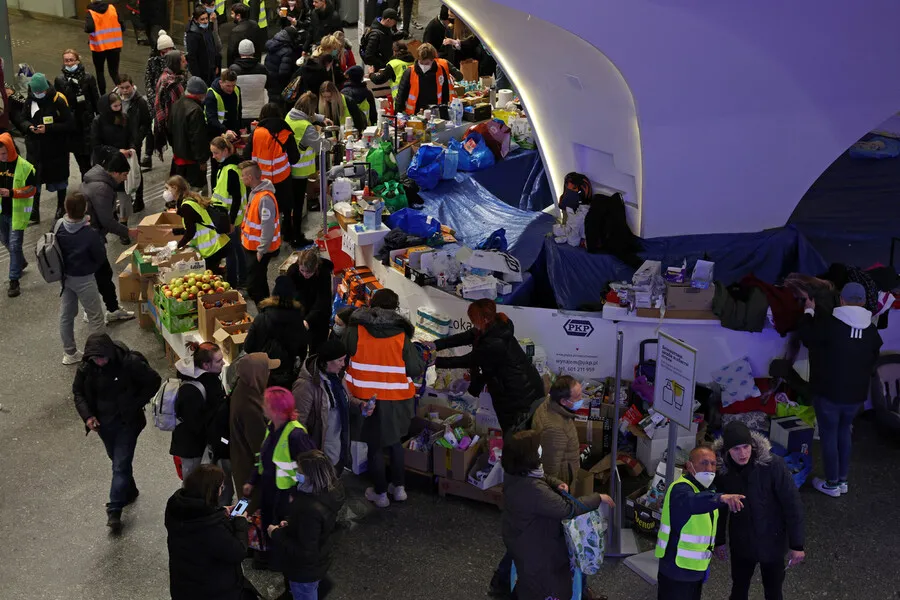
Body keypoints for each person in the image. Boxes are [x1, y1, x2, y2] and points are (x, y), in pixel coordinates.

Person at [501, 430, 615, 600]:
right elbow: (567, 508)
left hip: (523, 538)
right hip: (538, 551)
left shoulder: (516, 474)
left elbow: (542, 478)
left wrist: (556, 483)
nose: (540, 450)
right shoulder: (534, 491)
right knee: (551, 585)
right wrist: (597, 498)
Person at [798, 281, 883, 497]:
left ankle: (832, 484)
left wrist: (808, 309)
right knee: (844, 432)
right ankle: (842, 480)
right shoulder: (872, 331)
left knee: (829, 435)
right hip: (856, 395)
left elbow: (807, 337)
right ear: (863, 302)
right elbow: (873, 360)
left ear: (842, 300)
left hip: (829, 393)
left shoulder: (830, 324)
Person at [72, 333, 162, 533]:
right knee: (117, 459)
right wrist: (88, 417)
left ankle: (114, 510)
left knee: (120, 464)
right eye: (96, 359)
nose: (100, 362)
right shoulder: (87, 368)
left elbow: (154, 380)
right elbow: (78, 393)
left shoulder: (130, 363)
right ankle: (129, 491)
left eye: (102, 357)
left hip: (127, 423)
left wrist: (135, 404)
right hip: (103, 425)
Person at [344, 288, 424, 507]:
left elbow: (343, 353)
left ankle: (379, 493)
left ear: (372, 304)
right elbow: (415, 368)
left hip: (365, 399)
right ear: (395, 308)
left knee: (375, 445)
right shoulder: (401, 334)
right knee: (395, 442)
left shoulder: (356, 329)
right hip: (398, 399)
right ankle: (399, 488)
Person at [712, 422, 806, 600]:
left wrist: (797, 545)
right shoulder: (722, 471)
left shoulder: (773, 465)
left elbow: (792, 504)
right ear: (727, 451)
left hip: (773, 542)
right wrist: (719, 541)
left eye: (746, 447)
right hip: (741, 543)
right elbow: (720, 508)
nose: (743, 454)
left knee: (774, 591)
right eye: (736, 449)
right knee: (739, 588)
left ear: (752, 445)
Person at [430, 299, 544, 435]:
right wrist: (435, 345)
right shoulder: (493, 325)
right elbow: (465, 337)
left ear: (484, 319)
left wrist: (435, 360)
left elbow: (468, 360)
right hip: (517, 386)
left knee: (517, 435)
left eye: (473, 320)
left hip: (518, 395)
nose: (472, 323)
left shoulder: (494, 342)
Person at [656, 446, 746, 600]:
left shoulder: (706, 489)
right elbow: (692, 503)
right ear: (689, 465)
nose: (710, 468)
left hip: (695, 570)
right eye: (704, 463)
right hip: (676, 570)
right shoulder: (680, 489)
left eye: (713, 464)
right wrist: (721, 498)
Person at [242, 387, 316, 563]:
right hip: (270, 489)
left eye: (266, 404)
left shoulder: (296, 435)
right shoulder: (272, 427)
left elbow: (310, 468)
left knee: (282, 528)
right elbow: (264, 457)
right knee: (268, 522)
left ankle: (280, 559)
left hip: (285, 494)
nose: (262, 406)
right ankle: (268, 553)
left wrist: (295, 494)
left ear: (276, 410)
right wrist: (252, 480)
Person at [165, 464, 257, 600]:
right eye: (221, 488)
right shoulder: (211, 527)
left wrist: (219, 511)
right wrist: (241, 522)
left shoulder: (175, 505)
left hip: (183, 584)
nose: (221, 491)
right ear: (212, 491)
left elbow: (199, 513)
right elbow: (238, 551)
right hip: (213, 590)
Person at [268, 450, 346, 600]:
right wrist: (292, 524)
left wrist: (276, 533)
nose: (297, 473)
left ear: (311, 475)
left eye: (300, 471)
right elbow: (315, 529)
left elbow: (305, 552)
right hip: (322, 556)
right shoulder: (333, 490)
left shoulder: (309, 507)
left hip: (305, 572)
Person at [293, 339, 365, 472]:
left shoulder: (337, 376)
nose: (343, 365)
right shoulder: (305, 386)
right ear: (327, 362)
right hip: (320, 449)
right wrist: (309, 454)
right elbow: (297, 423)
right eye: (339, 360)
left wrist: (360, 405)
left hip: (338, 444)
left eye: (344, 360)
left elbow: (346, 399)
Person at [82, 153, 137, 323]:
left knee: (97, 275)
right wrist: (127, 231)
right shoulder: (103, 188)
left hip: (87, 236)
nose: (125, 178)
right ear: (115, 172)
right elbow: (107, 220)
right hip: (91, 238)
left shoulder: (95, 178)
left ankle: (105, 309)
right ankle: (106, 310)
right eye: (124, 175)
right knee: (102, 275)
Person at [12, 72, 73, 223]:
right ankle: (34, 210)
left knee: (59, 179)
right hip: (36, 149)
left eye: (40, 91)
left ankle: (61, 207)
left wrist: (49, 128)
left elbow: (69, 124)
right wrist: (29, 127)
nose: (37, 94)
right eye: (35, 91)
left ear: (46, 89)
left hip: (56, 149)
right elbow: (22, 119)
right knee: (35, 180)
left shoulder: (58, 101)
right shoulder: (30, 100)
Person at [56, 192, 106, 364]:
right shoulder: (89, 233)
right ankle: (97, 355)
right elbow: (100, 256)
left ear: (66, 208)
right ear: (84, 209)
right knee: (96, 317)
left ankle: (69, 353)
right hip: (84, 278)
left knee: (66, 315)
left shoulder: (59, 225)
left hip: (65, 277)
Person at [229, 352, 281, 511]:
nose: (270, 373)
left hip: (243, 465)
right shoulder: (249, 407)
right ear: (257, 374)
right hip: (252, 471)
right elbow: (260, 446)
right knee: (252, 509)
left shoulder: (244, 389)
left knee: (246, 503)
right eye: (267, 369)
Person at [170, 341, 227, 481]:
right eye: (219, 361)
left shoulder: (209, 379)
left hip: (203, 444)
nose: (223, 363)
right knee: (193, 484)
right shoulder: (192, 391)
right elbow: (195, 424)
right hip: (192, 448)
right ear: (206, 365)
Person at [244, 275, 309, 387]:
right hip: (286, 376)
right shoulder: (298, 321)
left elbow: (248, 347)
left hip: (262, 375)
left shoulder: (261, 318)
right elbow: (302, 351)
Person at [249, 103, 300, 244]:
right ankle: (288, 235)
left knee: (266, 213)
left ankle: (269, 241)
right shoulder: (286, 132)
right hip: (282, 178)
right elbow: (295, 158)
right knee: (286, 209)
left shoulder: (256, 133)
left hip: (262, 181)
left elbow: (247, 155)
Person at [284, 93, 330, 247]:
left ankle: (288, 233)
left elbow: (309, 116)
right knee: (298, 206)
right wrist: (331, 141)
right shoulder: (306, 128)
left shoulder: (290, 116)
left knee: (289, 205)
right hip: (300, 171)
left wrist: (321, 118)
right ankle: (297, 237)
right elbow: (321, 146)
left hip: (288, 168)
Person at [89, 92, 137, 231]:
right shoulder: (98, 121)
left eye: (119, 105)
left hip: (122, 161)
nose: (118, 108)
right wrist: (117, 151)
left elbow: (131, 136)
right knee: (107, 193)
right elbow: (96, 145)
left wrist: (132, 148)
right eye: (115, 106)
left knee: (124, 195)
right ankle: (112, 218)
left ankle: (123, 223)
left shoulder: (124, 118)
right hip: (106, 163)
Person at [239, 160, 282, 304]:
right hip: (253, 247)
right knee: (259, 281)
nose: (242, 178)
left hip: (259, 249)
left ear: (250, 177)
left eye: (243, 176)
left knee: (255, 286)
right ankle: (266, 309)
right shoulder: (255, 193)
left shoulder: (264, 199)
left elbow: (267, 227)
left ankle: (265, 310)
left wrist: (261, 250)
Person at [0, 132, 36, 298]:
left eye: (4, 153)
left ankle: (14, 281)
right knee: (6, 242)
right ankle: (20, 262)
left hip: (18, 214)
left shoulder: (25, 167)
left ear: (11, 149)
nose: (2, 157)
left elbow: (32, 189)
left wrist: (12, 192)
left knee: (14, 245)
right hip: (2, 214)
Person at [55, 49, 100, 177]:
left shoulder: (88, 78)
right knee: (81, 160)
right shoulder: (60, 80)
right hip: (73, 125)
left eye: (71, 60)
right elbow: (59, 102)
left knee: (92, 157)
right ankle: (85, 182)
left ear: (77, 61)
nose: (69, 63)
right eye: (66, 61)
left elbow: (95, 99)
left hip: (88, 122)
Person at [210, 136, 249, 286]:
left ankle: (234, 282)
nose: (213, 157)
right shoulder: (229, 167)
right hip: (232, 217)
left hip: (231, 218)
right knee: (237, 249)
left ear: (225, 151)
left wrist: (231, 221)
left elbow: (236, 198)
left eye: (216, 153)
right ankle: (242, 278)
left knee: (232, 252)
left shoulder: (230, 170)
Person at [531, 375, 582, 487]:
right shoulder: (555, 429)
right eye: (578, 397)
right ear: (563, 401)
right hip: (563, 480)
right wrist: (556, 487)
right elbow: (550, 467)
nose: (581, 399)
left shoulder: (550, 403)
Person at [172, 188, 231, 275]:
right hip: (217, 244)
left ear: (175, 188)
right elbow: (196, 226)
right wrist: (175, 231)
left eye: (168, 188)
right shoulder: (191, 201)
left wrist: (178, 246)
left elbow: (191, 232)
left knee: (210, 278)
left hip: (212, 249)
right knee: (213, 276)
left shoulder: (186, 207)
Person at [286, 248, 334, 353]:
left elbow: (322, 301)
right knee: (298, 345)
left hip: (319, 314)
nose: (305, 274)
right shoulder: (293, 271)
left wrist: (308, 320)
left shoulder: (324, 274)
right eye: (302, 270)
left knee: (317, 346)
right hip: (300, 310)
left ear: (316, 267)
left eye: (309, 272)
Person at [169, 76, 212, 190]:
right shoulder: (195, 110)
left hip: (178, 157)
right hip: (193, 161)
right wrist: (202, 160)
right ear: (199, 94)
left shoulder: (176, 104)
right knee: (196, 191)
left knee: (180, 190)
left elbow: (169, 130)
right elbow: (198, 138)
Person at [115, 75, 150, 212]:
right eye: (122, 87)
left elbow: (146, 123)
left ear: (132, 85)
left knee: (135, 170)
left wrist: (137, 139)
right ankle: (126, 199)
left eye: (127, 87)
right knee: (121, 171)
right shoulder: (114, 97)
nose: (125, 90)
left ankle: (139, 200)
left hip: (133, 142)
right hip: (119, 141)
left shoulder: (139, 101)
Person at [395, 43, 460, 115]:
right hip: (415, 114)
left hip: (435, 113)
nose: (423, 66)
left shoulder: (440, 71)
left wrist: (444, 113)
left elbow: (445, 93)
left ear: (433, 60)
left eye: (426, 63)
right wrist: (398, 114)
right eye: (421, 62)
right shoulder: (409, 72)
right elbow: (401, 96)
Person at [205, 69, 243, 184]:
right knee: (217, 165)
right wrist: (225, 131)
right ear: (221, 82)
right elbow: (211, 119)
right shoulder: (212, 95)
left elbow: (238, 111)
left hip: (232, 134)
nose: (231, 89)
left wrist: (240, 127)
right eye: (228, 86)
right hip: (216, 134)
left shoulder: (237, 90)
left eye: (233, 85)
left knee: (232, 163)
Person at [145, 32, 177, 164]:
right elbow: (148, 82)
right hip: (157, 101)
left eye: (170, 49)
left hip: (171, 101)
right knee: (153, 127)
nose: (167, 52)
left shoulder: (176, 60)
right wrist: (154, 99)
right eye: (164, 51)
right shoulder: (152, 62)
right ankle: (148, 154)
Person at [153, 50, 188, 160]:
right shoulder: (170, 82)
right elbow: (171, 107)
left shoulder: (173, 77)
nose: (186, 63)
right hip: (173, 125)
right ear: (175, 63)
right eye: (182, 61)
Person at [84, 1, 124, 95]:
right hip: (114, 46)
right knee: (114, 72)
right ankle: (123, 92)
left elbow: (89, 28)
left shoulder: (91, 12)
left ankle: (103, 95)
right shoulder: (112, 8)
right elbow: (122, 26)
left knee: (100, 72)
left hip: (99, 47)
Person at [264, 26, 304, 104]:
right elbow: (284, 72)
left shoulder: (273, 44)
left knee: (272, 103)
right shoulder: (287, 51)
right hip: (280, 85)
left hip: (270, 81)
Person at [185, 6, 221, 86]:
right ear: (195, 20)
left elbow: (213, 47)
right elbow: (192, 57)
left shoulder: (207, 29)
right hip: (202, 73)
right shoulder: (192, 35)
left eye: (206, 18)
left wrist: (216, 65)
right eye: (202, 19)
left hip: (211, 69)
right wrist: (197, 76)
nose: (205, 21)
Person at [363, 8, 400, 72]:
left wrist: (399, 35)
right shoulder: (375, 35)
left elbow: (387, 38)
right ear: (388, 20)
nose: (394, 24)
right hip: (379, 68)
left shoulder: (384, 27)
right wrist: (381, 64)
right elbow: (368, 56)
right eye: (394, 21)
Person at [227, 3, 264, 67]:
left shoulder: (236, 31)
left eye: (232, 13)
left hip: (240, 65)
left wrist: (230, 68)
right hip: (255, 63)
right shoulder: (255, 25)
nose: (231, 16)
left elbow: (231, 52)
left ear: (238, 16)